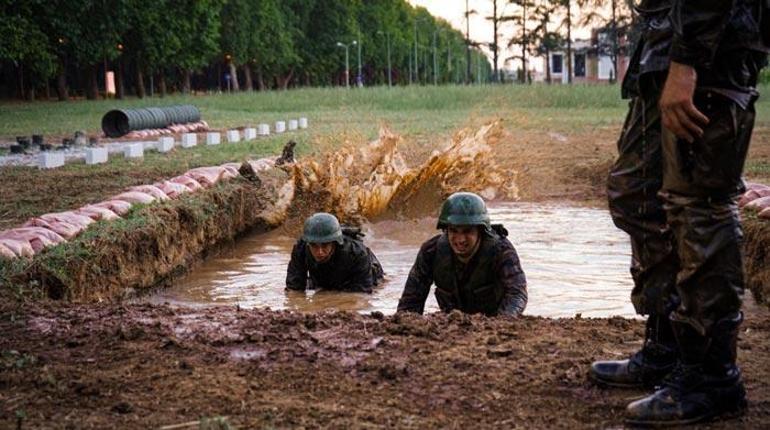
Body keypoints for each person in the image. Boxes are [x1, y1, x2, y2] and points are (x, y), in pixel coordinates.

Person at [592, 0, 768, 425]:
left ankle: (711, 376)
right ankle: (666, 347)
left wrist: (686, 61)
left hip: (710, 42)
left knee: (700, 206)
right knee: (636, 194)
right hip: (665, 36)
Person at [396, 192, 527, 317]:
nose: (461, 239)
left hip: (490, 322)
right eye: (454, 231)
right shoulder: (431, 251)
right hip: (451, 324)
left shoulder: (501, 251)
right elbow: (411, 301)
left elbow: (517, 293)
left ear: (480, 231)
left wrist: (503, 322)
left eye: (467, 231)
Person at [286, 212, 384, 293]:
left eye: (324, 245)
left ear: (334, 242)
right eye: (314, 245)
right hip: (324, 276)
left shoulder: (356, 253)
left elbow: (361, 294)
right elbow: (294, 289)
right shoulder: (301, 248)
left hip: (362, 276)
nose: (319, 252)